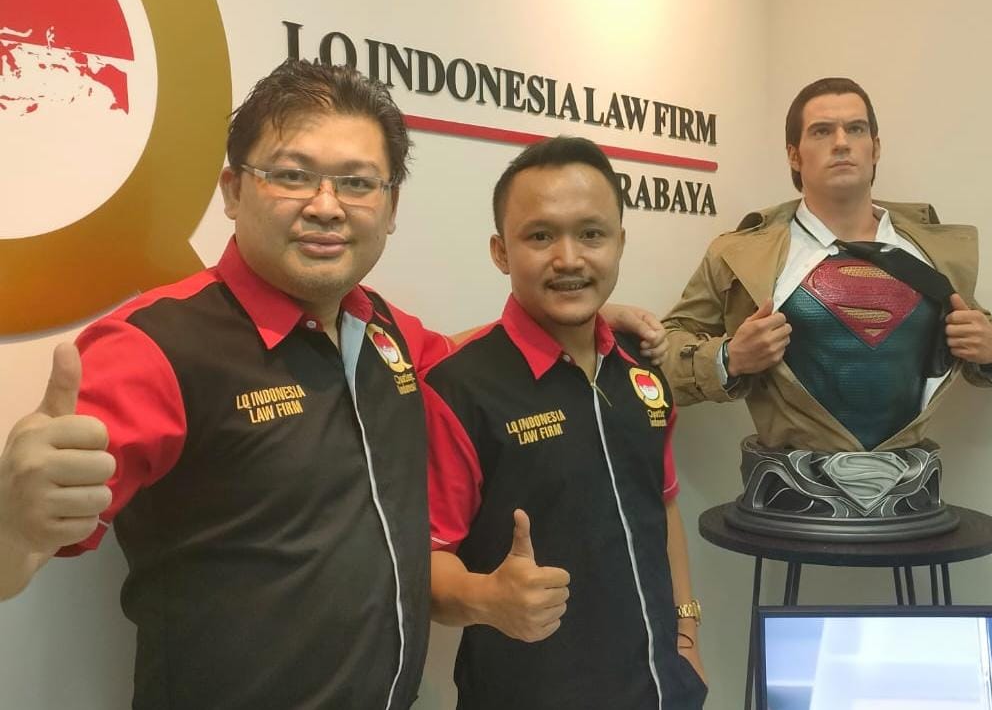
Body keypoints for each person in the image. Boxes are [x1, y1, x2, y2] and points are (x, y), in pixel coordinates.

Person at [0, 61, 665, 709]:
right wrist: (14, 522)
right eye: (292, 175)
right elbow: (23, 550)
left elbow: (478, 357)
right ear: (233, 190)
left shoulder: (385, 331)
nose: (326, 206)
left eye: (357, 183)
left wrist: (578, 315)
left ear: (391, 206)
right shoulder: (155, 347)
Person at [661, 77, 992, 533]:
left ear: (875, 147)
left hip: (912, 499)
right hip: (788, 499)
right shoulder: (740, 255)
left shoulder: (931, 252)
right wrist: (729, 358)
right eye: (821, 131)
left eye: (855, 129)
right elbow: (662, 351)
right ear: (794, 155)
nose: (841, 143)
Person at [423, 136, 707, 709]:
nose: (570, 258)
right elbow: (423, 560)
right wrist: (487, 598)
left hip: (661, 689)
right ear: (501, 252)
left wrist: (687, 632)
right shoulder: (459, 389)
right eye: (540, 236)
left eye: (591, 233)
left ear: (620, 242)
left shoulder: (641, 368)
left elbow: (663, 503)